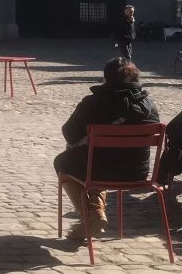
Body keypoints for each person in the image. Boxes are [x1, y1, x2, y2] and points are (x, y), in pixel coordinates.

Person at [54, 58, 159, 240]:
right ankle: (94, 213)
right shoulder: (149, 105)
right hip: (135, 172)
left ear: (106, 78)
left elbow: (69, 133)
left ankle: (89, 215)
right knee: (97, 164)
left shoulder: (93, 103)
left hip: (98, 169)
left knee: (63, 161)